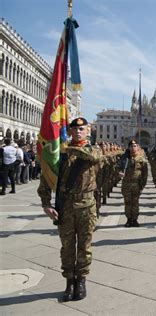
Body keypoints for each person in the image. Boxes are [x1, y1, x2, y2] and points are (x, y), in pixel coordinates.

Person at [37, 117, 102, 301]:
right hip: (65, 207)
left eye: (82, 129)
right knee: (67, 247)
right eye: (75, 128)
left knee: (84, 246)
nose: (79, 131)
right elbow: (46, 177)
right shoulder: (59, 153)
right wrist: (46, 204)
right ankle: (69, 281)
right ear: (70, 131)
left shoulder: (93, 149)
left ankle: (81, 280)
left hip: (86, 206)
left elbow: (94, 157)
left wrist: (69, 148)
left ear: (88, 130)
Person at [120, 139, 148, 227]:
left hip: (136, 184)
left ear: (138, 147)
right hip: (126, 184)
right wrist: (118, 172)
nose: (133, 148)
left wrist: (142, 185)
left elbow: (145, 174)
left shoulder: (141, 159)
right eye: (131, 146)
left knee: (135, 203)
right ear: (128, 147)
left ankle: (135, 219)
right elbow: (117, 167)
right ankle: (128, 219)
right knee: (127, 203)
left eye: (135, 146)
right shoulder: (124, 158)